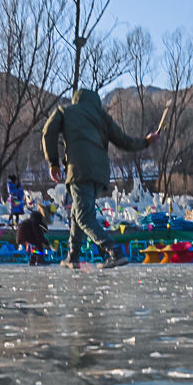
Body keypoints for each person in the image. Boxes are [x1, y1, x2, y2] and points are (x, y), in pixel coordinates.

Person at [41, 87, 157, 269]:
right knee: (78, 213)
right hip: (100, 173)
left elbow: (48, 132)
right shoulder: (102, 116)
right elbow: (123, 141)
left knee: (83, 216)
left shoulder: (65, 111)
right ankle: (73, 255)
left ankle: (113, 251)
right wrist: (146, 141)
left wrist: (53, 163)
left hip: (79, 169)